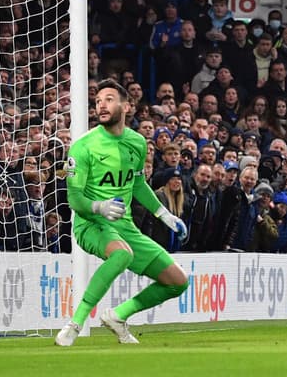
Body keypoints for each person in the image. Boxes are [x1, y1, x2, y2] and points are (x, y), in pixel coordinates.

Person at [56, 80, 189, 346]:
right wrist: (99, 206)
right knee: (122, 254)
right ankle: (75, 324)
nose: (101, 106)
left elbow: (137, 184)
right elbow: (74, 199)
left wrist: (164, 214)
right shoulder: (83, 146)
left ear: (126, 106)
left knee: (178, 281)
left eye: (108, 99)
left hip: (124, 227)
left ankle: (117, 316)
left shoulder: (137, 143)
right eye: (97, 101)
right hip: (90, 223)